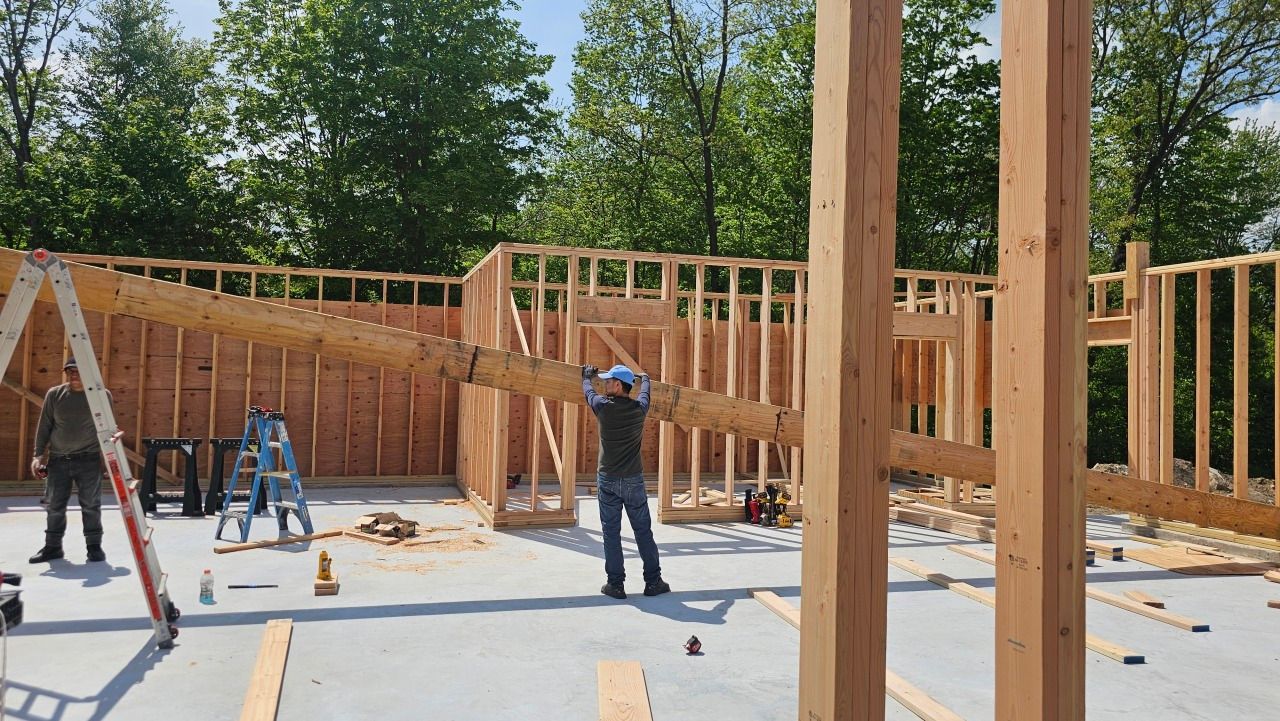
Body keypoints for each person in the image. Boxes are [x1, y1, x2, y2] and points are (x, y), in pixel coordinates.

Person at [582, 363, 669, 600]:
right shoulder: (639, 409)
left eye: (609, 381)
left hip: (608, 479)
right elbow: (645, 393)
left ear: (619, 385)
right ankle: (654, 582)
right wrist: (645, 378)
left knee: (611, 533)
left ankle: (616, 585)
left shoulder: (603, 407)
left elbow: (588, 392)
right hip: (633, 481)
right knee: (643, 531)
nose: (604, 384)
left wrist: (586, 377)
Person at [29, 357, 111, 564]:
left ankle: (94, 547)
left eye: (78, 370)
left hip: (89, 460)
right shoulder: (55, 394)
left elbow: (108, 430)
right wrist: (37, 456)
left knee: (91, 505)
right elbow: (44, 426)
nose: (74, 375)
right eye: (70, 371)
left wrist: (110, 462)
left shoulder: (101, 396)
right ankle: (52, 548)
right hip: (58, 460)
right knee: (54, 506)